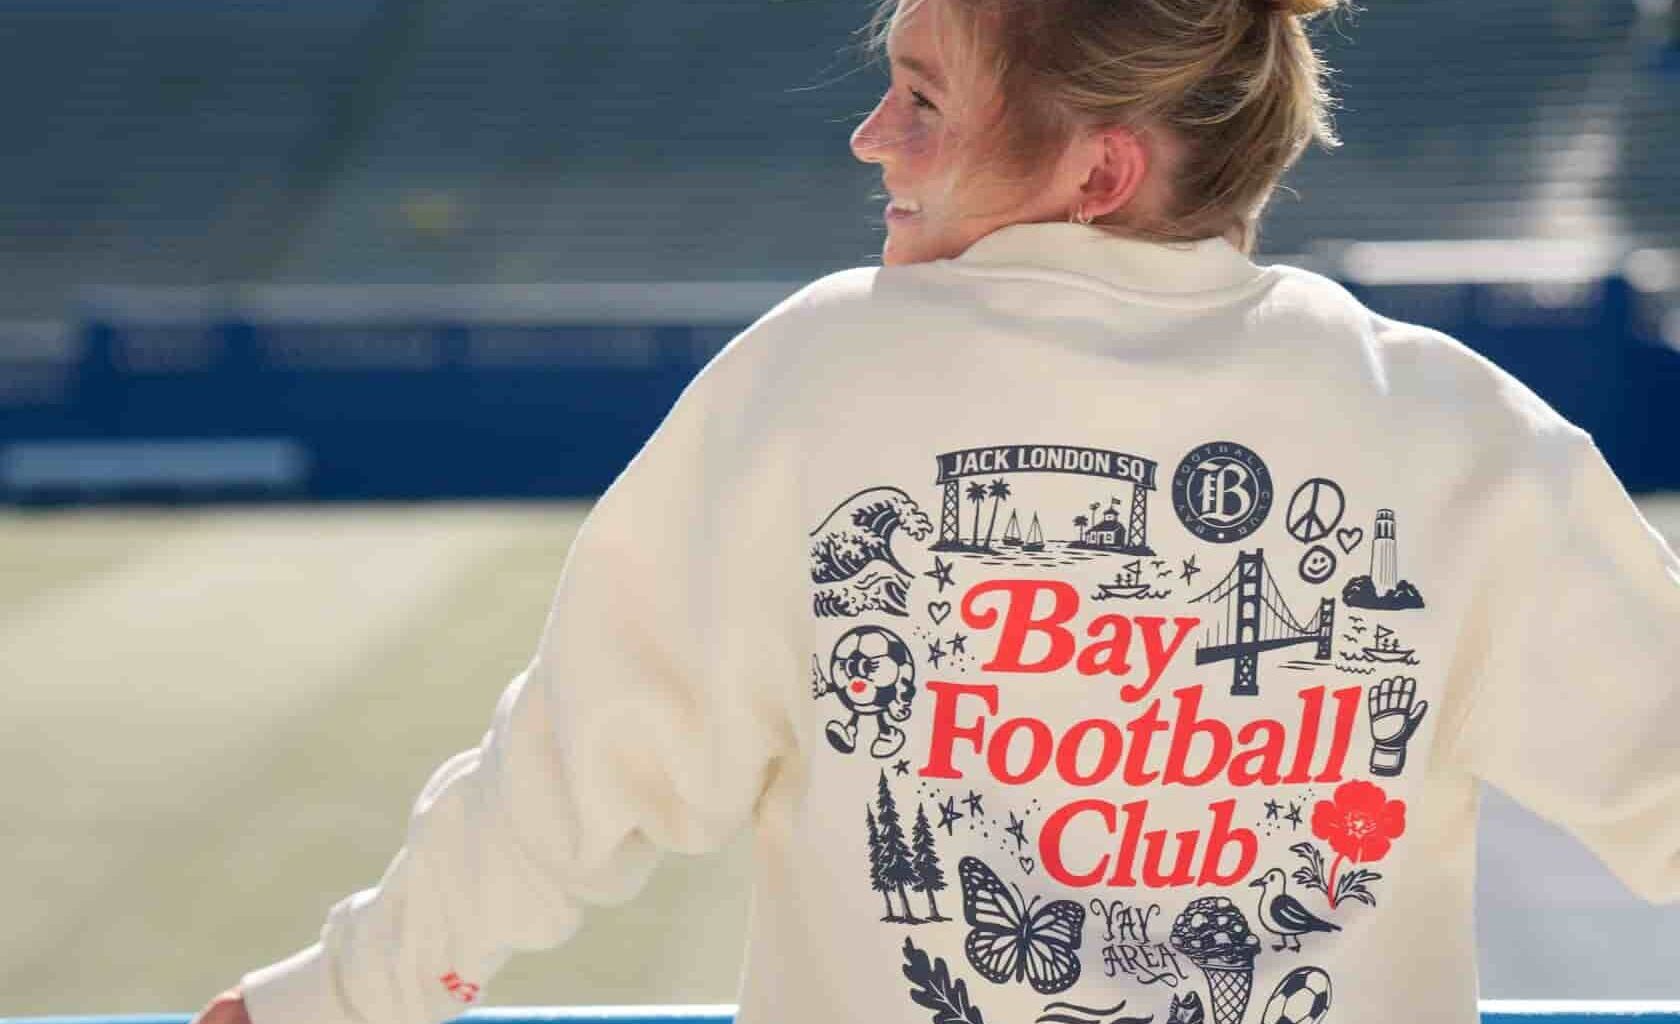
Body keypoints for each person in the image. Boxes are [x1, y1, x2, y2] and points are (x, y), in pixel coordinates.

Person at [192, 0, 1680, 1023]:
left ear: (1097, 169)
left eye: (920, 99)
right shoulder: (1456, 428)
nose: (869, 138)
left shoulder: (813, 378)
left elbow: (570, 781)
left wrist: (338, 1002)